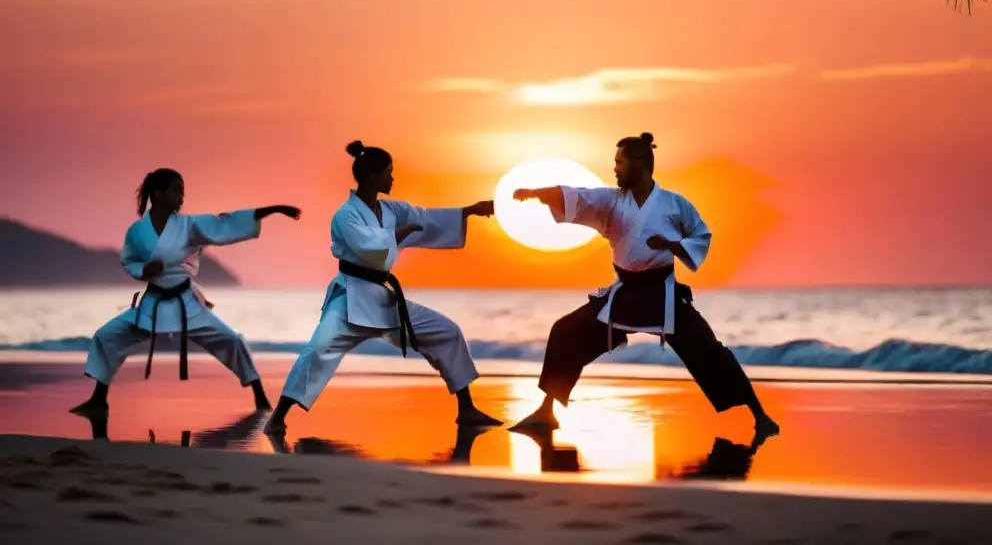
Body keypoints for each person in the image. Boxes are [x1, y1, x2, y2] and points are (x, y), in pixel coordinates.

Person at [511, 133, 780, 441]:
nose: (615, 169)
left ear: (639, 164)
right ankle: (546, 411)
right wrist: (537, 191)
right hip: (624, 294)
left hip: (661, 294)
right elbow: (578, 196)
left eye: (619, 163)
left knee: (710, 350)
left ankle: (760, 417)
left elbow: (701, 236)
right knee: (565, 331)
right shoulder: (612, 200)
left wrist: (672, 245)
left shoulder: (675, 204)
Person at [263, 141, 501, 434]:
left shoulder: (391, 209)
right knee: (318, 350)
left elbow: (424, 217)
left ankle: (466, 409)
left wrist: (467, 211)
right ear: (373, 176)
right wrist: (395, 234)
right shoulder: (345, 215)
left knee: (447, 331)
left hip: (383, 299)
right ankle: (277, 418)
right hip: (349, 298)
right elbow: (368, 247)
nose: (392, 178)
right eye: (389, 172)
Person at [70, 168, 301, 415]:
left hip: (185, 304)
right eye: (177, 190)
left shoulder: (189, 225)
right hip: (153, 304)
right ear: (159, 193)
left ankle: (261, 398)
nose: (182, 196)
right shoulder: (137, 232)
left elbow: (225, 223)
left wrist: (274, 209)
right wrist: (145, 269)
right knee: (107, 336)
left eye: (183, 190)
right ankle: (98, 398)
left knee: (232, 340)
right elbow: (128, 260)